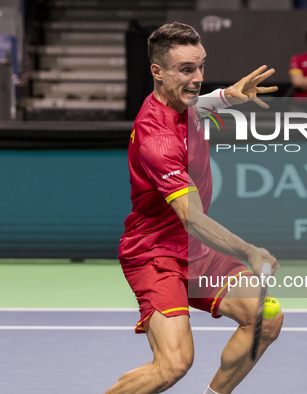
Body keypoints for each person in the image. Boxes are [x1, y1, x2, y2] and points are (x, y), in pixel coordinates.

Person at [107, 22, 284, 394]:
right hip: (155, 254)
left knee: (265, 319)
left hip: (194, 253)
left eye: (201, 66)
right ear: (157, 71)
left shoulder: (178, 101)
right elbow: (192, 217)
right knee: (172, 365)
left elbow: (196, 106)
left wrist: (229, 95)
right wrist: (249, 250)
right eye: (187, 69)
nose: (198, 78)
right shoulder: (156, 137)